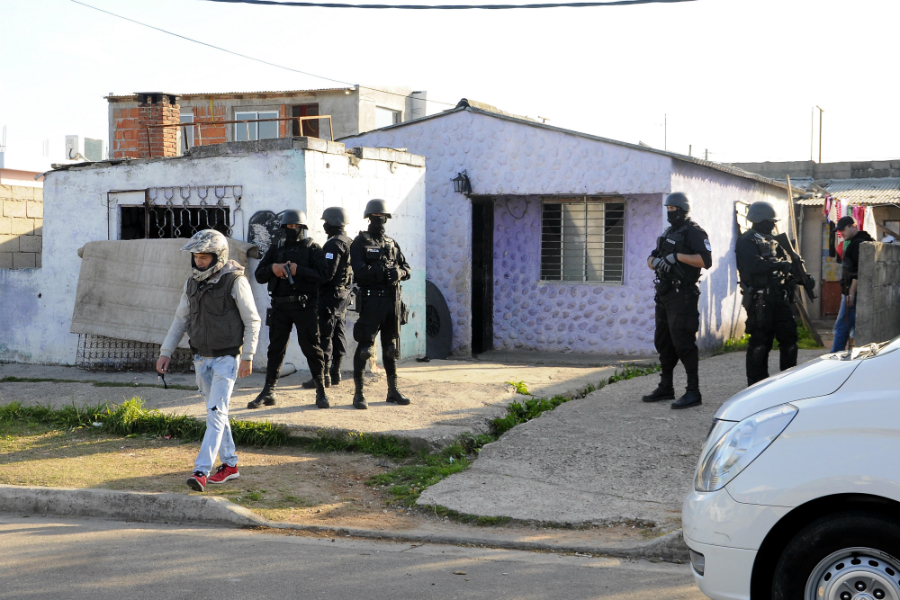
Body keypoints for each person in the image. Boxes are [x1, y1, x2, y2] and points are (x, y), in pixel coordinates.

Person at [156, 229, 260, 493]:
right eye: (196, 256)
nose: (199, 261)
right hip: (201, 358)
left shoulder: (235, 280)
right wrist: (165, 352)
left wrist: (247, 356)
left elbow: (252, 320)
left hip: (227, 358)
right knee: (218, 413)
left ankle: (201, 471)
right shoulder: (191, 283)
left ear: (219, 256)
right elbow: (181, 319)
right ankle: (230, 465)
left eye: (204, 256)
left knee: (215, 414)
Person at [249, 210, 330, 409]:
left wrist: (298, 270)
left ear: (302, 228)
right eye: (288, 227)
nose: (292, 230)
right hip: (280, 307)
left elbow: (324, 275)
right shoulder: (277, 248)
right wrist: (273, 268)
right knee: (275, 350)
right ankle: (269, 391)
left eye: (295, 227)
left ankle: (321, 391)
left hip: (305, 307)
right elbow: (259, 274)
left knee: (312, 349)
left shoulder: (312, 248)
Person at [641, 192, 712, 409]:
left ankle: (693, 392)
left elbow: (705, 260)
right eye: (668, 209)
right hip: (664, 293)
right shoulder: (668, 232)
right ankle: (666, 387)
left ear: (682, 210)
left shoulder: (694, 233)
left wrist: (677, 257)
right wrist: (655, 261)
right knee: (663, 342)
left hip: (683, 296)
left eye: (673, 209)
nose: (670, 212)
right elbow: (651, 258)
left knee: (683, 343)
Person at [349, 199, 412, 410]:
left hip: (392, 302)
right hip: (371, 300)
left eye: (382, 217)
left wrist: (400, 273)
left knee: (391, 348)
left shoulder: (392, 243)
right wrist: (384, 273)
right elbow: (359, 271)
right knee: (365, 348)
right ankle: (359, 394)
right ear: (369, 218)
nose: (379, 220)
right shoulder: (359, 243)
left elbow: (407, 268)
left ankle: (393, 391)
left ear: (387, 218)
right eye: (375, 217)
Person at [735, 201, 798, 386]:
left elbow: (786, 264)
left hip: (779, 297)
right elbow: (754, 265)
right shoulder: (747, 240)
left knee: (790, 340)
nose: (773, 224)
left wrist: (799, 275)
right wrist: (780, 265)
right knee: (760, 344)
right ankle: (756, 385)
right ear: (760, 220)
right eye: (770, 221)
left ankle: (787, 383)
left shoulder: (773, 241)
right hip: (760, 299)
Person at [300, 207, 354, 389]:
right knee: (338, 332)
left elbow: (327, 274)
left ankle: (323, 376)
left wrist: (308, 275)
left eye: (326, 222)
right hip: (343, 294)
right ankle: (335, 372)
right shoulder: (349, 241)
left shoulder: (333, 244)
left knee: (324, 334)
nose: (324, 225)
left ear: (332, 223)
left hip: (330, 295)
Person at [831, 216, 874, 352]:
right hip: (859, 294)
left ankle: (834, 357)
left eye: (843, 229)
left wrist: (851, 293)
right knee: (855, 330)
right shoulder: (863, 241)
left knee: (841, 328)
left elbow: (858, 271)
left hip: (853, 294)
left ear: (853, 226)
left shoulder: (858, 244)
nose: (841, 233)